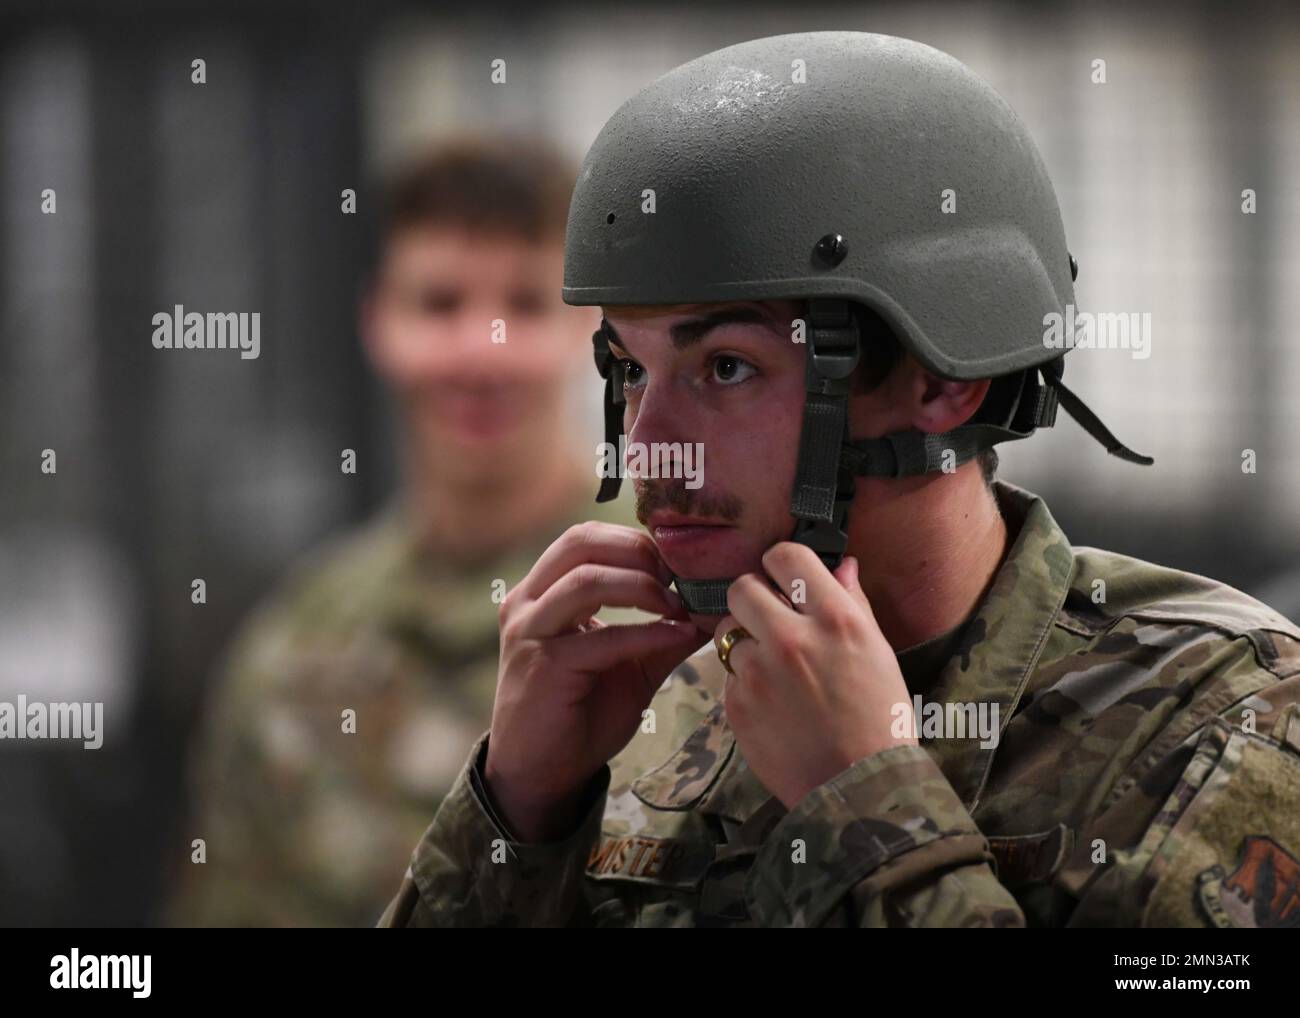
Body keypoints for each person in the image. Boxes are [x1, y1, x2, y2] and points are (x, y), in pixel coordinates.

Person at [378, 33, 1300, 928]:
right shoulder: (659, 712)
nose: (651, 442)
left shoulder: (1226, 723)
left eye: (726, 368)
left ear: (943, 383)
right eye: (628, 370)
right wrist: (516, 816)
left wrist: (868, 809)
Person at [172, 136, 638, 927]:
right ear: (377, 322)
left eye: (525, 305)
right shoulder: (296, 644)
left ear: (589, 327)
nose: (478, 351)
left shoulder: (672, 602)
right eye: (439, 303)